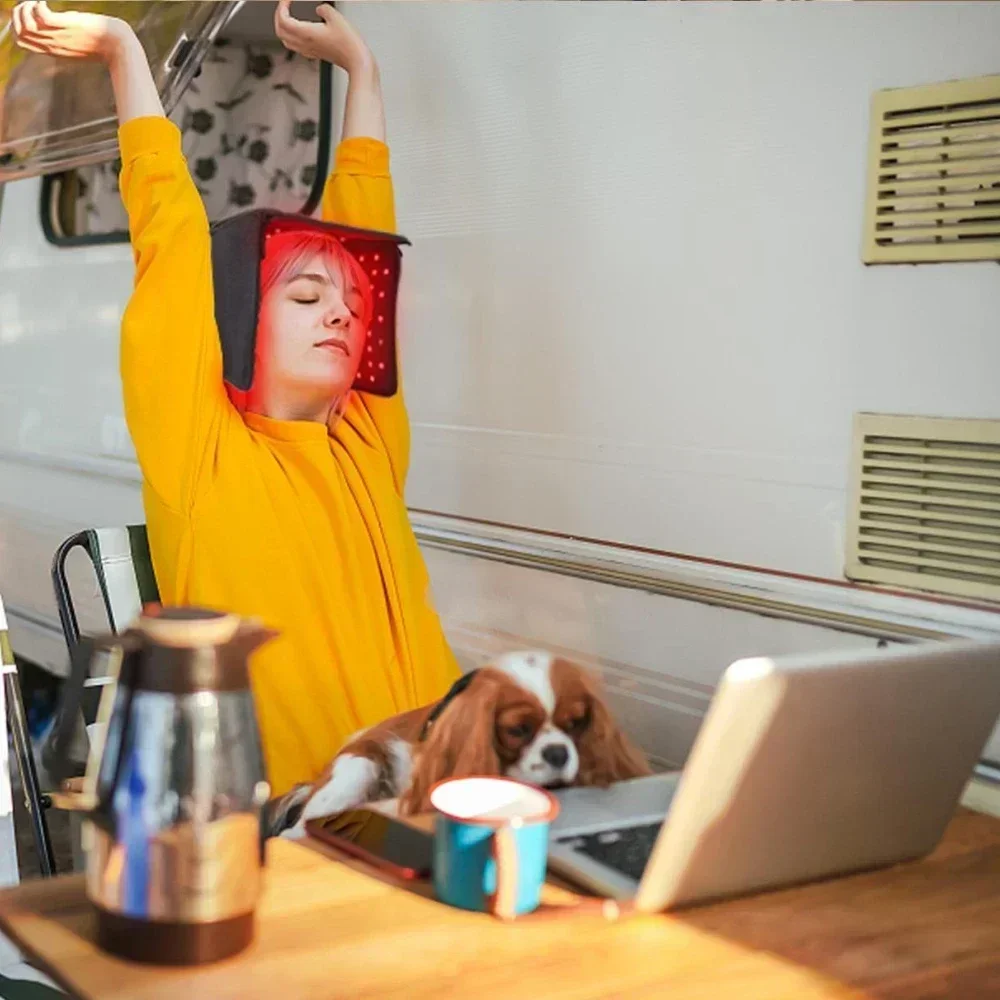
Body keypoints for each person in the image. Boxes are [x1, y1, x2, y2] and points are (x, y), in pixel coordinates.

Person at [11, 1, 459, 797]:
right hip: (302, 824)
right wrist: (122, 53)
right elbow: (172, 241)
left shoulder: (368, 442)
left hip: (436, 794)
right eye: (306, 296)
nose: (342, 312)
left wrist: (364, 74)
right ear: (244, 322)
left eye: (352, 305)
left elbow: (366, 222)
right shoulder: (201, 452)